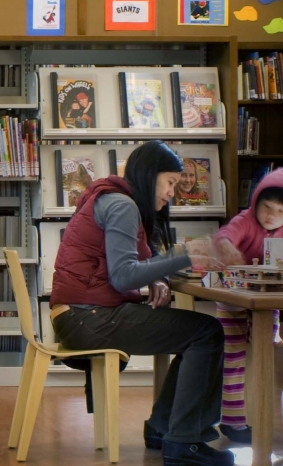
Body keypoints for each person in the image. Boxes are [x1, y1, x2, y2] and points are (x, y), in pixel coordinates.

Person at [50, 141, 229, 466]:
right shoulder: (123, 206)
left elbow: (131, 264)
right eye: (170, 182)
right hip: (88, 318)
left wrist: (156, 277)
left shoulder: (112, 198)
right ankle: (184, 441)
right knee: (206, 333)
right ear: (150, 176)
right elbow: (123, 276)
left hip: (80, 314)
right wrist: (188, 256)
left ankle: (164, 430)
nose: (173, 191)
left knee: (198, 334)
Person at [208, 167, 283, 444]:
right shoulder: (245, 219)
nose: (271, 215)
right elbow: (223, 236)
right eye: (266, 207)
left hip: (267, 300)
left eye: (280, 212)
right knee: (234, 359)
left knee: (261, 355)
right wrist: (228, 249)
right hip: (233, 299)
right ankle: (233, 421)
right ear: (256, 203)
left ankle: (270, 330)